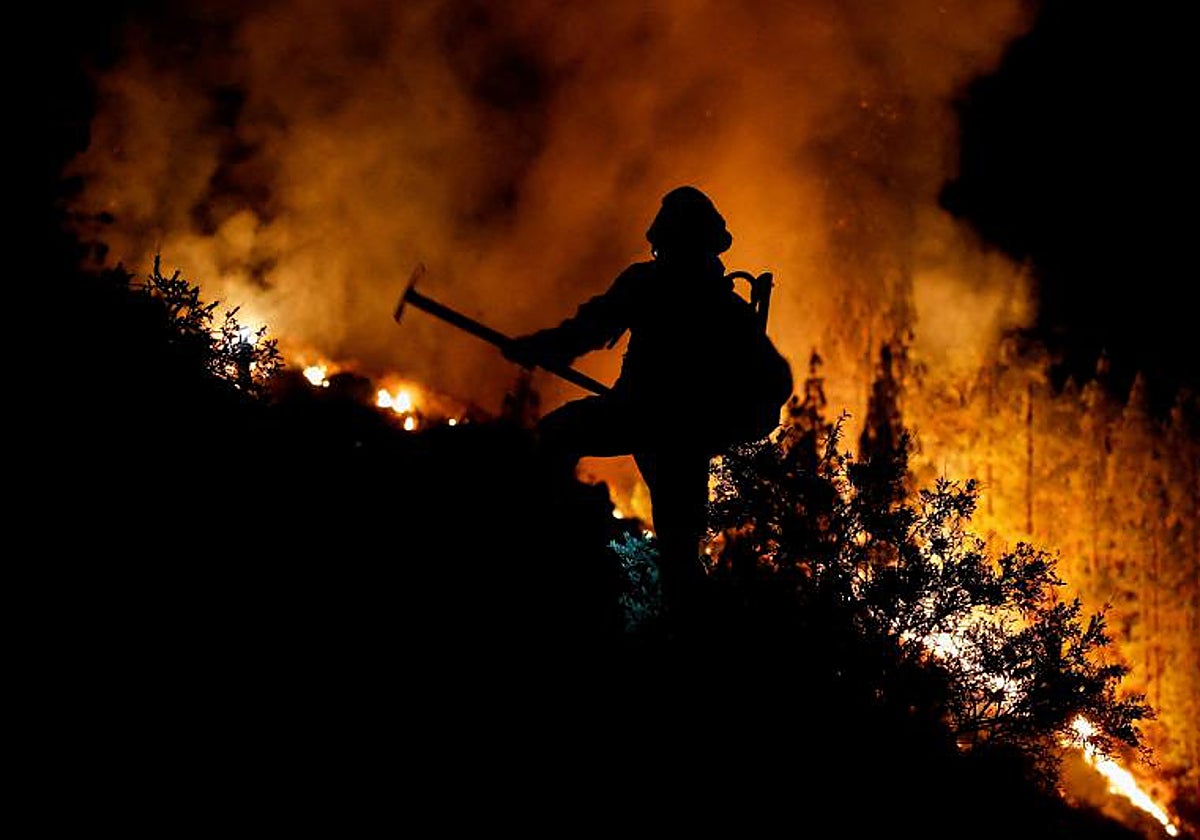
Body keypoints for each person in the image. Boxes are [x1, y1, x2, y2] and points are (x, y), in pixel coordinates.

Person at [504, 186, 793, 629]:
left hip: (650, 423)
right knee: (680, 554)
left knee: (556, 437)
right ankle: (680, 634)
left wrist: (539, 347)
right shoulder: (724, 307)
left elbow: (588, 328)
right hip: (672, 433)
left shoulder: (654, 285)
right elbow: (776, 382)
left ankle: (553, 559)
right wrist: (719, 428)